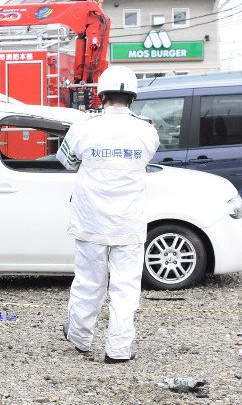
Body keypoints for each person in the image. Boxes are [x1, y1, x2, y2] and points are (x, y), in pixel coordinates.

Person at [56, 65, 160, 364]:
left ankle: (79, 338)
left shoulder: (84, 127)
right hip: (129, 225)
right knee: (126, 288)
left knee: (89, 283)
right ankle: (118, 349)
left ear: (100, 94)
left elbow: (65, 160)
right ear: (132, 97)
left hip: (91, 222)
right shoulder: (146, 130)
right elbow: (147, 157)